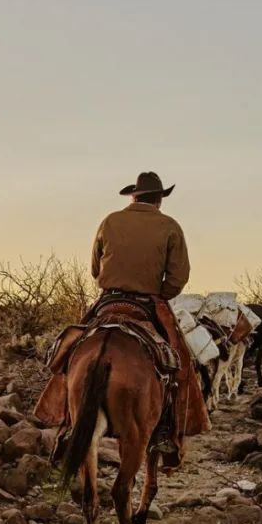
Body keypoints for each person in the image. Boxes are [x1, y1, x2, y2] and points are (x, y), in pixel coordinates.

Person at [88, 171, 211, 466]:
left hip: (109, 298)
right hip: (147, 302)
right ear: (159, 200)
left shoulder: (109, 221)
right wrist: (160, 293)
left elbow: (95, 268)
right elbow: (179, 276)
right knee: (179, 362)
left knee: (70, 347)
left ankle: (63, 420)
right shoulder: (169, 226)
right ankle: (170, 432)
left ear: (134, 196)